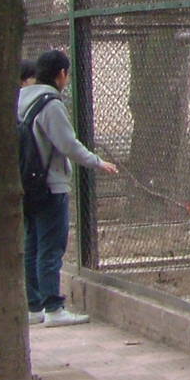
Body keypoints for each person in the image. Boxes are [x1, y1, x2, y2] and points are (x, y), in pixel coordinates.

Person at [19, 50, 117, 326]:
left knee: (32, 244)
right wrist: (97, 162)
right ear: (61, 74)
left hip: (25, 183)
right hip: (50, 185)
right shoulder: (51, 104)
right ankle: (53, 308)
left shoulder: (20, 100)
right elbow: (68, 144)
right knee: (50, 246)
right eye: (67, 74)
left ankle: (34, 306)